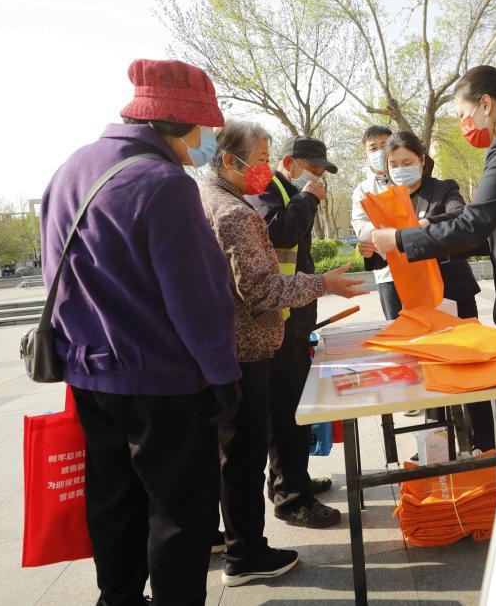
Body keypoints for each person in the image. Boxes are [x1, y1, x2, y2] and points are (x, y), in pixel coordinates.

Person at [40, 58, 240, 606]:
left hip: (88, 374)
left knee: (112, 498)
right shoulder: (164, 183)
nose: (203, 141)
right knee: (179, 511)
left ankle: (118, 598)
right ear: (178, 122)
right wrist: (224, 377)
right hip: (162, 382)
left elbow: (52, 271)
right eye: (202, 128)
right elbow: (198, 297)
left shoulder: (70, 168)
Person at [198, 121, 366, 587]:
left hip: (252, 339)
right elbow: (258, 286)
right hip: (251, 343)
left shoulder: (214, 197)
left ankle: (244, 540)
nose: (265, 170)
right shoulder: (235, 210)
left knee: (244, 448)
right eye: (262, 159)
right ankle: (245, 552)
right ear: (231, 160)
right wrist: (324, 283)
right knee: (245, 451)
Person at [370, 66, 496, 339]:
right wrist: (426, 226)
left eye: (462, 115)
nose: (463, 126)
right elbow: (485, 231)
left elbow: (472, 224)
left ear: (485, 104)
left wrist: (400, 239)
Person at [361, 130, 496, 451]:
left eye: (407, 162)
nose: (400, 169)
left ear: (421, 161)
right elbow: (383, 249)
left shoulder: (443, 188)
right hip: (416, 299)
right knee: (428, 374)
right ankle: (438, 447)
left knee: (469, 370)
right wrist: (370, 251)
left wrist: (426, 226)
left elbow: (462, 216)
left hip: (454, 293)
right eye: (394, 164)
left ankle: (485, 445)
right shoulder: (386, 202)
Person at [246, 135, 342, 528]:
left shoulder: (291, 193)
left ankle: (290, 482)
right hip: (278, 319)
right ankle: (291, 499)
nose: (319, 178)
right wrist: (309, 198)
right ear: (289, 162)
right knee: (286, 412)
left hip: (294, 316)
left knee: (291, 409)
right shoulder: (270, 191)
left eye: (322, 171)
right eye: (313, 169)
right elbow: (277, 234)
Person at [350, 125, 402, 319]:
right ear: (366, 155)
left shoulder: (407, 178)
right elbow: (361, 229)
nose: (380, 151)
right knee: (397, 331)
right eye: (373, 148)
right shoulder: (362, 190)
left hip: (419, 271)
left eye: (385, 145)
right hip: (386, 275)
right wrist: (395, 228)